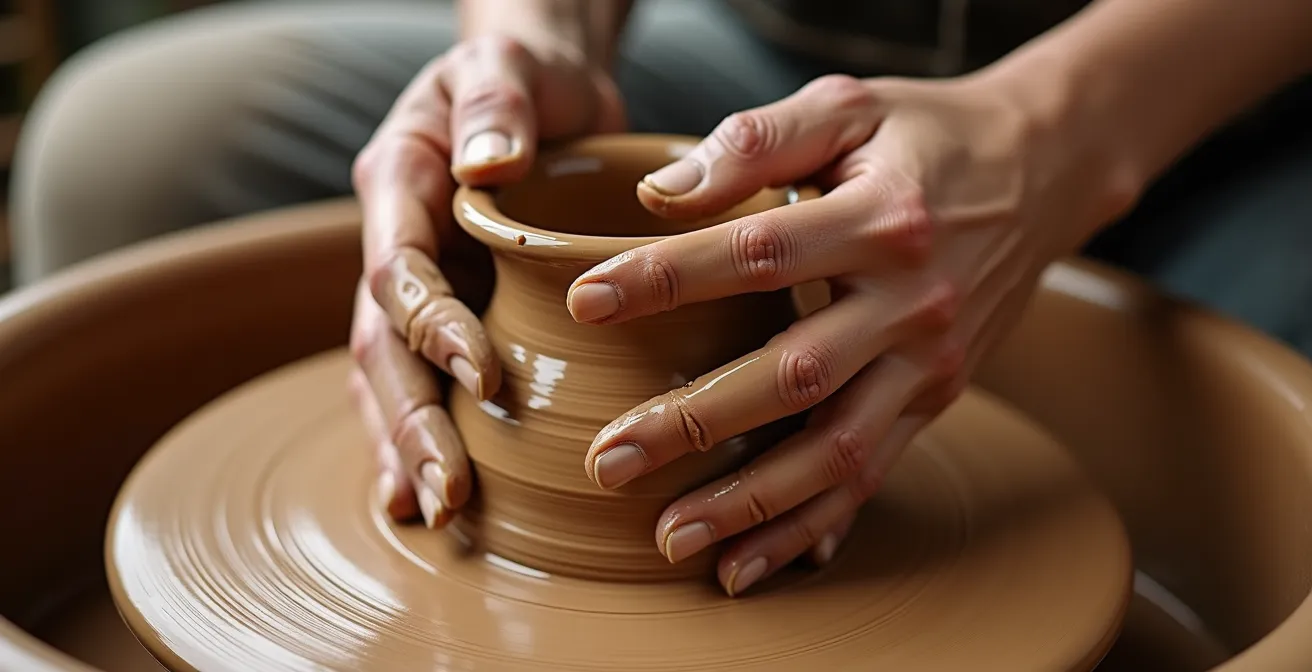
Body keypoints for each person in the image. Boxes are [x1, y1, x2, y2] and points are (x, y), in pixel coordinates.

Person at [9, 0, 1312, 596]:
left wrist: (1055, 134)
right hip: (781, 62)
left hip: (1224, 103)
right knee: (137, 148)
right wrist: (527, 50)